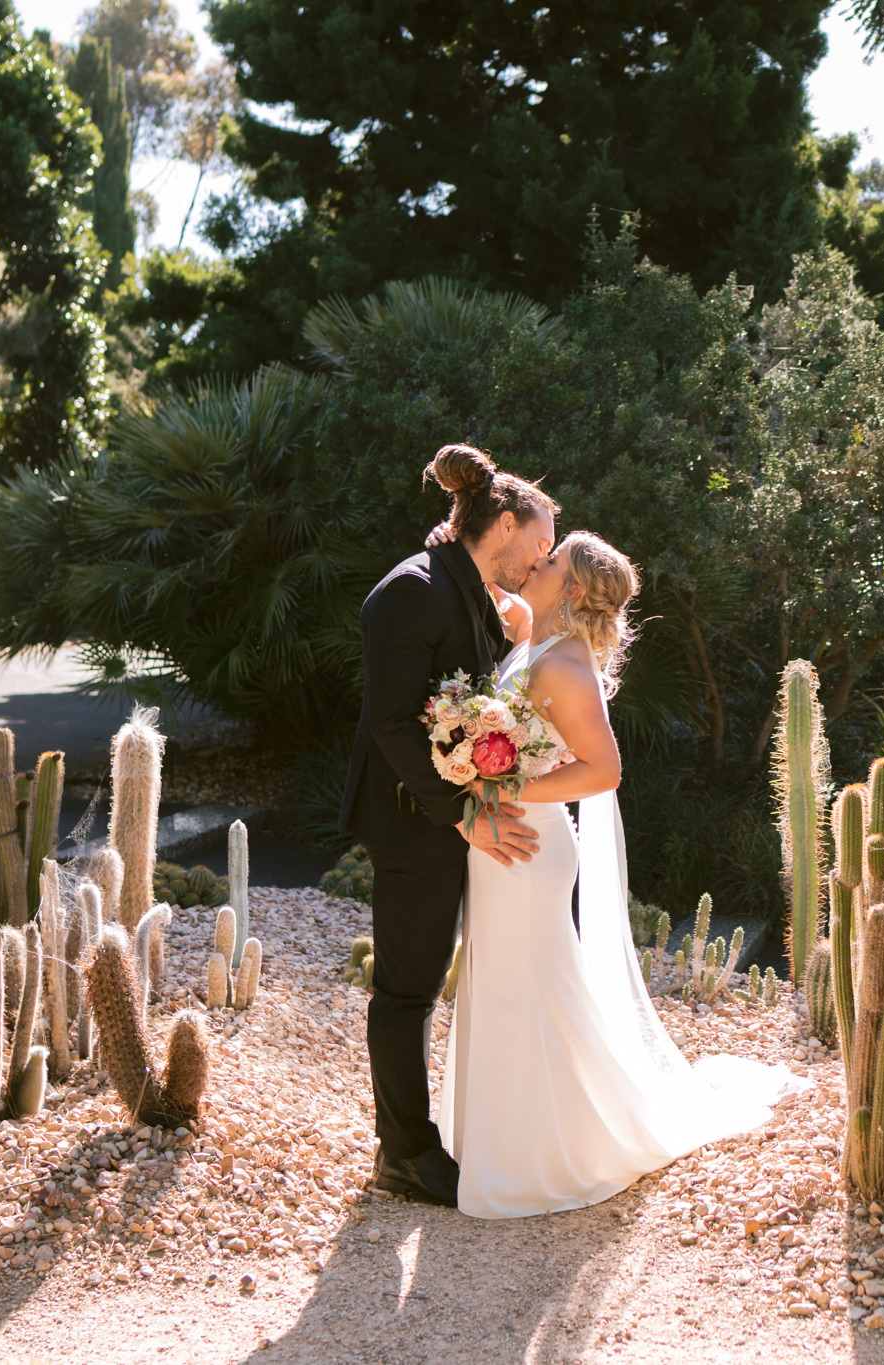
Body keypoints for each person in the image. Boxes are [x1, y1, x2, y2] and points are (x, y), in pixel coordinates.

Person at [438, 529, 807, 1218]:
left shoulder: (565, 666)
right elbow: (496, 594)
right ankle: (495, 1136)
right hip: (502, 843)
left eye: (548, 561)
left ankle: (540, 1155)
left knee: (529, 985)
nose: (535, 563)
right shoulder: (534, 637)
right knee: (499, 979)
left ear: (571, 587)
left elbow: (603, 770)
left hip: (527, 844)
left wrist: (500, 785)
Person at [338, 442, 556, 1207]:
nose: (542, 559)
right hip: (411, 823)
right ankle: (403, 1153)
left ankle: (436, 1138)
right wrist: (462, 817)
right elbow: (394, 726)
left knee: (430, 983)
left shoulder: (464, 583)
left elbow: (472, 688)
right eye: (539, 543)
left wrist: (520, 630)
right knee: (406, 992)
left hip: (448, 819)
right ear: (502, 520)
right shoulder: (411, 591)